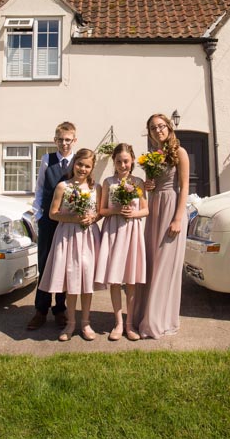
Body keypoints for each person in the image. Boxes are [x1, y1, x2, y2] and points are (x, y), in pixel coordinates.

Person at [133, 113, 190, 339]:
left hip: (171, 209)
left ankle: (158, 320)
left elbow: (184, 187)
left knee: (166, 266)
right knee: (152, 264)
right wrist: (148, 185)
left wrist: (178, 218)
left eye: (161, 126)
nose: (158, 130)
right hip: (154, 210)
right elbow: (151, 189)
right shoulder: (151, 157)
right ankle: (144, 316)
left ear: (169, 127)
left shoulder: (180, 153)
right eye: (153, 128)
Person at [39, 148, 101, 341]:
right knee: (72, 279)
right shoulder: (62, 186)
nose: (82, 169)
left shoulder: (96, 188)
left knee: (86, 280)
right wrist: (73, 217)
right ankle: (70, 323)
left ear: (92, 168)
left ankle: (86, 323)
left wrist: (93, 217)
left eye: (87, 166)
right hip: (67, 235)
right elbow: (52, 213)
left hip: (88, 237)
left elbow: (99, 212)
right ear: (74, 163)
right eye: (80, 164)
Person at [26, 121, 78, 332]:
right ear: (55, 140)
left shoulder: (77, 161)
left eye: (68, 140)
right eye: (60, 140)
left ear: (74, 140)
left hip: (68, 221)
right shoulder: (47, 159)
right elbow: (39, 188)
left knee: (64, 264)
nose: (64, 144)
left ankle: (60, 308)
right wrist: (38, 213)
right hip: (48, 219)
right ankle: (41, 310)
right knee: (45, 262)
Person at [94, 143, 148, 341]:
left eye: (126, 161)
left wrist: (133, 213)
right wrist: (116, 210)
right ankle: (117, 323)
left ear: (132, 160)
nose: (123, 165)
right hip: (114, 232)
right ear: (114, 162)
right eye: (118, 162)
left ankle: (130, 323)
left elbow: (145, 210)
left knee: (131, 279)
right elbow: (102, 210)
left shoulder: (138, 182)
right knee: (116, 279)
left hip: (132, 231)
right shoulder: (108, 182)